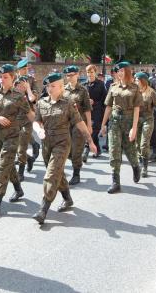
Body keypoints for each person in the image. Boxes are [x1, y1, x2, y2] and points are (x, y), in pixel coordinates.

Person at [32, 72, 97, 224]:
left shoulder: (68, 103)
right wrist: (39, 130)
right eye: (48, 86)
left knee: (51, 174)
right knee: (57, 173)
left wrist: (90, 141)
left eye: (53, 86)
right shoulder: (41, 103)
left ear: (61, 87)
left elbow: (79, 123)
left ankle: (43, 209)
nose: (49, 89)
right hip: (46, 144)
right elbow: (36, 121)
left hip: (62, 143)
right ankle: (67, 199)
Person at [0, 64, 34, 218]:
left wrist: (40, 127)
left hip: (12, 136)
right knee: (8, 164)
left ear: (12, 78)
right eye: (0, 77)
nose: (2, 79)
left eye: (5, 77)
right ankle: (18, 189)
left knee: (3, 165)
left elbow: (30, 114)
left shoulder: (19, 96)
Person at [100, 61, 142, 194]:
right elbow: (108, 107)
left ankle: (135, 166)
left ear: (128, 72)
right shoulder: (113, 87)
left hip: (129, 122)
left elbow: (137, 109)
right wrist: (103, 125)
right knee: (114, 150)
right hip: (115, 122)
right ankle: (115, 182)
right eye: (118, 71)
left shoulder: (135, 88)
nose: (120, 73)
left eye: (122, 71)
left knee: (130, 150)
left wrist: (134, 128)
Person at [134, 72, 156, 177]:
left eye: (137, 79)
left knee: (144, 143)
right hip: (136, 120)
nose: (135, 81)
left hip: (148, 120)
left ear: (142, 81)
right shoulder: (134, 92)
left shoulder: (151, 92)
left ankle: (145, 168)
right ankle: (140, 163)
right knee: (137, 144)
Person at [62, 65, 92, 185]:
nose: (70, 77)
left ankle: (76, 174)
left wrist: (89, 125)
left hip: (79, 124)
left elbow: (87, 109)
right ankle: (76, 161)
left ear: (77, 75)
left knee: (76, 150)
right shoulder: (63, 90)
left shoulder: (83, 90)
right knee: (68, 151)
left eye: (72, 75)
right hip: (66, 124)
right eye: (68, 75)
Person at [16, 58, 40, 174]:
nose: (25, 71)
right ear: (18, 70)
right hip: (14, 115)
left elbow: (32, 99)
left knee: (22, 140)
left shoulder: (31, 80)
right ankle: (29, 157)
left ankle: (21, 171)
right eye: (22, 69)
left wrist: (28, 88)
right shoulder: (13, 80)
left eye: (26, 69)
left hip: (27, 115)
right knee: (15, 141)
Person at [84, 64, 107, 160]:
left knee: (92, 132)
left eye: (92, 72)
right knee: (89, 131)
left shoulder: (101, 84)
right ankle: (98, 149)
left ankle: (86, 150)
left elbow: (105, 100)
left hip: (98, 112)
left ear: (95, 72)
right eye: (88, 72)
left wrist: (95, 102)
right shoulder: (84, 85)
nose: (90, 74)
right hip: (87, 113)